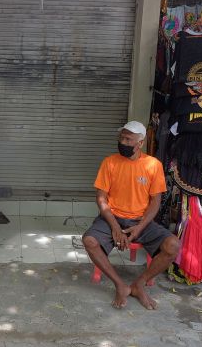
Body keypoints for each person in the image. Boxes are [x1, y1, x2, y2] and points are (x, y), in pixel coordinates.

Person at [82, 121, 180, 310]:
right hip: (111, 217)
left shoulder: (153, 165)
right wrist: (115, 227)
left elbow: (155, 202)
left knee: (173, 245)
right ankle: (120, 284)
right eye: (121, 138)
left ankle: (139, 284)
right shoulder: (109, 162)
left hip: (140, 220)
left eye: (128, 139)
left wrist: (139, 227)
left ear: (140, 143)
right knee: (89, 241)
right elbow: (101, 198)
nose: (123, 142)